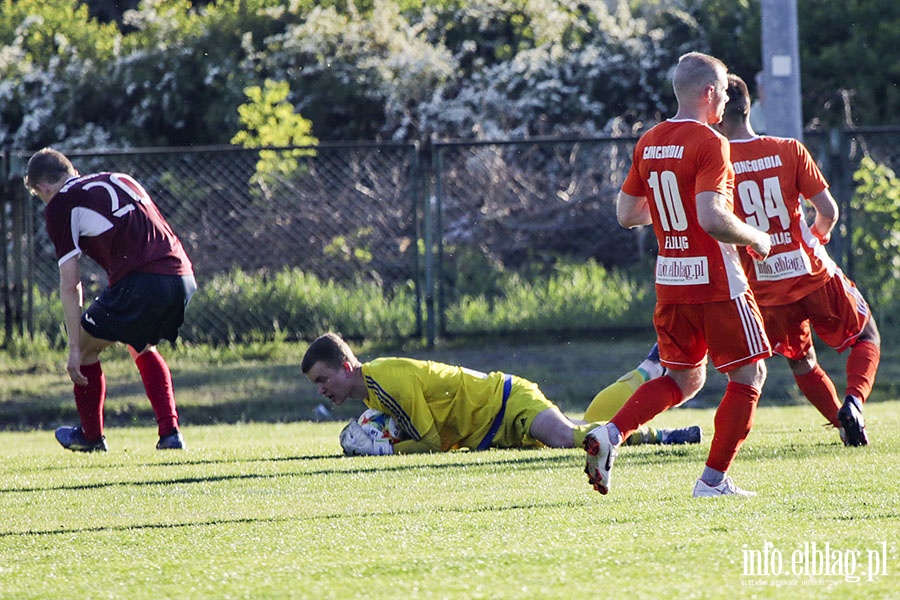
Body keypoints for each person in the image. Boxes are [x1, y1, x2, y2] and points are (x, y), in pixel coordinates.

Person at [583, 52, 773, 498]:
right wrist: (756, 239)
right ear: (708, 94)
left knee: (685, 379)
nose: (726, 101)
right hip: (717, 282)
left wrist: (675, 216)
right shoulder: (711, 142)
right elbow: (711, 217)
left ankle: (611, 434)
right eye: (725, 92)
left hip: (672, 281)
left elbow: (627, 214)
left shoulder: (649, 141)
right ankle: (713, 481)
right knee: (750, 376)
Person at [716, 74, 880, 446]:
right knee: (866, 335)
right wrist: (816, 237)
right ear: (747, 110)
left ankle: (845, 427)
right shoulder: (788, 149)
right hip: (810, 271)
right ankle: (853, 402)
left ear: (719, 116)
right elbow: (829, 212)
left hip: (764, 288)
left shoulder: (718, 164)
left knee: (801, 361)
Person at [26, 148, 197, 452]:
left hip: (143, 280)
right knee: (141, 344)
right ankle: (170, 433)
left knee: (87, 348)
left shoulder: (60, 203)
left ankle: (90, 437)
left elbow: (70, 282)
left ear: (43, 188)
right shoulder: (118, 177)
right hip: (181, 275)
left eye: (40, 196)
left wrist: (74, 347)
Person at [301, 332, 701, 455]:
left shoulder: (387, 380)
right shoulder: (372, 393)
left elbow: (430, 441)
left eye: (323, 379)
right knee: (578, 430)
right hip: (491, 432)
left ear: (346, 367)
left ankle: (661, 431)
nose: (322, 390)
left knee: (566, 437)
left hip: (506, 401)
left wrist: (387, 450)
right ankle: (658, 424)